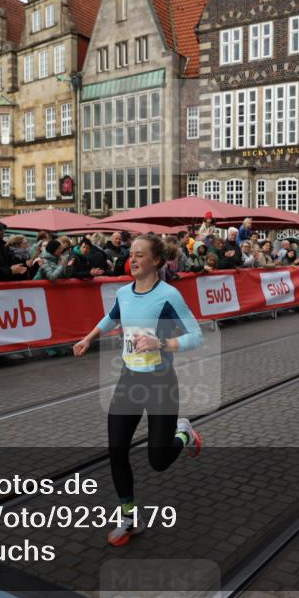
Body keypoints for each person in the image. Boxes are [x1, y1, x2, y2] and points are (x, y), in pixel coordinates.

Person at [72, 234, 203, 547]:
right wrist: (89, 337)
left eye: (140, 255)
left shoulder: (169, 295)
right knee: (116, 449)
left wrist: (162, 343)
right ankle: (130, 516)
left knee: (158, 460)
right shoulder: (123, 292)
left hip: (160, 382)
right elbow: (112, 317)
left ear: (156, 261)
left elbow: (197, 336)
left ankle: (184, 433)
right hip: (129, 379)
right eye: (131, 254)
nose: (133, 259)